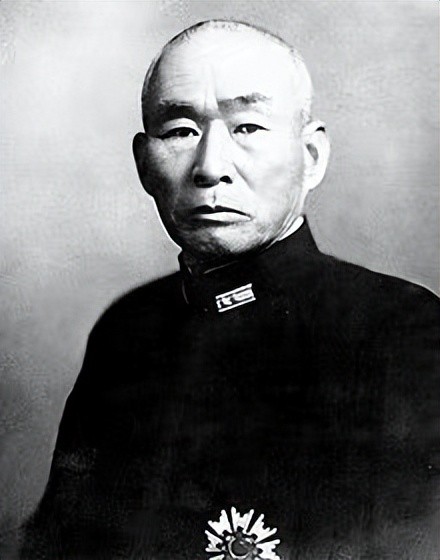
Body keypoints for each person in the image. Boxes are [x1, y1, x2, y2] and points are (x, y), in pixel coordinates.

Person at [21, 20, 439, 560]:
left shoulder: (403, 331)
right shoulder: (126, 330)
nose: (211, 167)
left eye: (248, 127)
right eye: (180, 132)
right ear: (143, 164)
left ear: (311, 157)